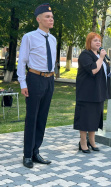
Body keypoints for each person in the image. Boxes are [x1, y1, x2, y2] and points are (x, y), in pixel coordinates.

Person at [17, 3, 57, 168]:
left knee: (42, 118)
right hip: (34, 78)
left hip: (49, 80)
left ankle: (36, 152)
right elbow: (22, 62)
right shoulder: (29, 37)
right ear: (38, 19)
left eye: (52, 17)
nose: (51, 19)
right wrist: (22, 82)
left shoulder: (53, 39)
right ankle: (27, 155)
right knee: (32, 118)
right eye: (48, 17)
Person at [73, 32, 111, 153]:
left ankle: (92, 141)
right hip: (87, 93)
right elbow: (93, 70)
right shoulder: (85, 55)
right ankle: (83, 142)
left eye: (99, 40)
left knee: (94, 118)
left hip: (98, 93)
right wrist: (102, 58)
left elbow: (102, 71)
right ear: (89, 43)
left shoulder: (99, 57)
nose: (98, 42)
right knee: (85, 118)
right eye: (95, 40)